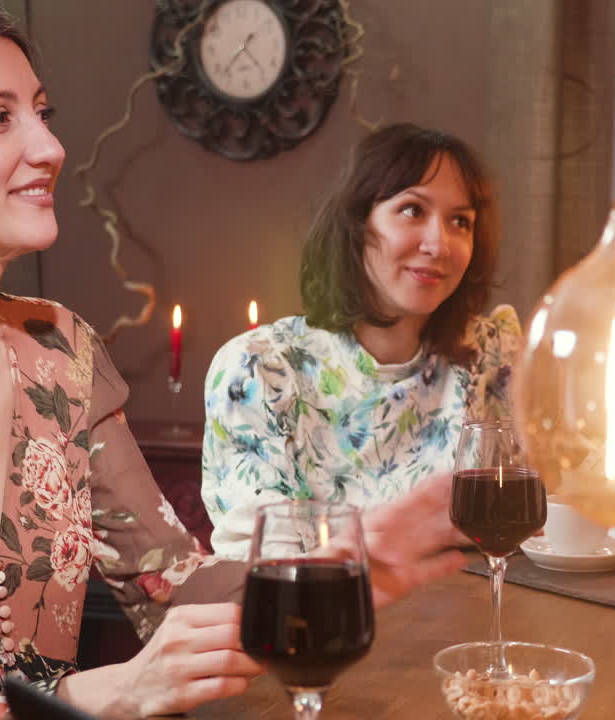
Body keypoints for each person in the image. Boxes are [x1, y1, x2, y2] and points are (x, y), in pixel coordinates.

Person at [0, 3, 463, 718]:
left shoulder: (61, 351)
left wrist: (324, 570)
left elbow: (167, 584)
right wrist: (99, 695)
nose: (49, 147)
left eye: (42, 113)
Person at [202, 123, 521, 558]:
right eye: (412, 210)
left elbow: (551, 512)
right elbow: (269, 570)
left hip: (477, 618)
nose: (438, 243)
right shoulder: (261, 369)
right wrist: (406, 535)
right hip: (323, 620)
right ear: (357, 222)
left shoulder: (490, 356)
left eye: (460, 221)